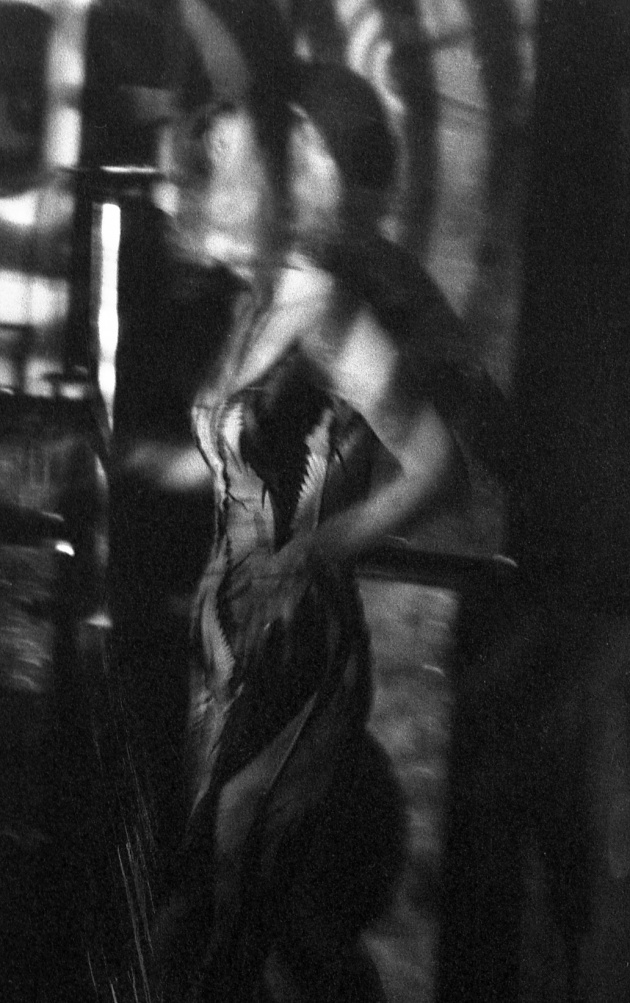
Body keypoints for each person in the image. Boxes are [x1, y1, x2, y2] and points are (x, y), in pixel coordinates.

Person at [142, 57, 508, 1003]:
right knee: (215, 904)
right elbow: (252, 454)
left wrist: (319, 546)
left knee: (228, 913)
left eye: (222, 156)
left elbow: (440, 464)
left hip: (293, 653)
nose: (194, 178)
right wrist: (155, 465)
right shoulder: (257, 303)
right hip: (226, 645)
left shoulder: (332, 310)